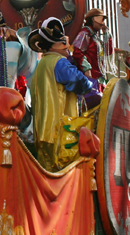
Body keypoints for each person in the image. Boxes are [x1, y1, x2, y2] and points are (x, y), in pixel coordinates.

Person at [27, 17, 97, 171]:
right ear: (53, 45)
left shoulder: (41, 67)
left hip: (42, 134)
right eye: (63, 43)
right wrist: (93, 85)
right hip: (61, 133)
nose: (67, 47)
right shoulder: (59, 62)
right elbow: (81, 83)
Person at [72, 8, 114, 85]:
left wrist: (106, 34)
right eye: (101, 19)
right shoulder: (85, 34)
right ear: (94, 19)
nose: (102, 23)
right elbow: (77, 53)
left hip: (99, 77)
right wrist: (87, 69)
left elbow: (108, 51)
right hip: (90, 78)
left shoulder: (94, 36)